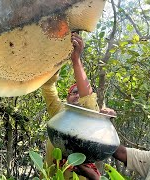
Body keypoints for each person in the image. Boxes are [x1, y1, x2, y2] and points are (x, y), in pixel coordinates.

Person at [41, 32, 116, 179]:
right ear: (67, 98)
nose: (77, 95)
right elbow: (48, 86)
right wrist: (57, 57)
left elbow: (87, 98)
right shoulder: (59, 111)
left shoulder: (91, 115)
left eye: (79, 92)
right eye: (73, 93)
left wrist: (76, 60)